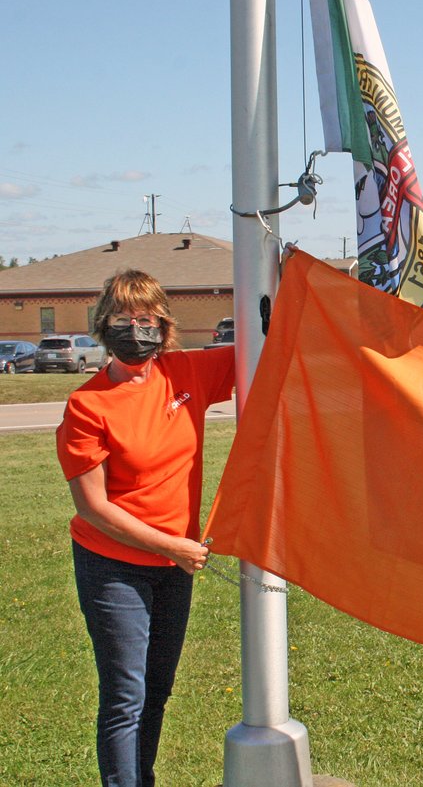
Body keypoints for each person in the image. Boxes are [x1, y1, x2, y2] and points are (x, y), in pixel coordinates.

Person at [57, 270, 235, 787]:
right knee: (125, 695)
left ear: (164, 325)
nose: (135, 330)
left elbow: (262, 347)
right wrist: (173, 545)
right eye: (122, 319)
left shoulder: (186, 375)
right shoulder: (86, 405)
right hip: (114, 566)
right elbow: (93, 507)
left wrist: (283, 280)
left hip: (173, 563)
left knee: (157, 688)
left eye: (146, 319)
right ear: (102, 326)